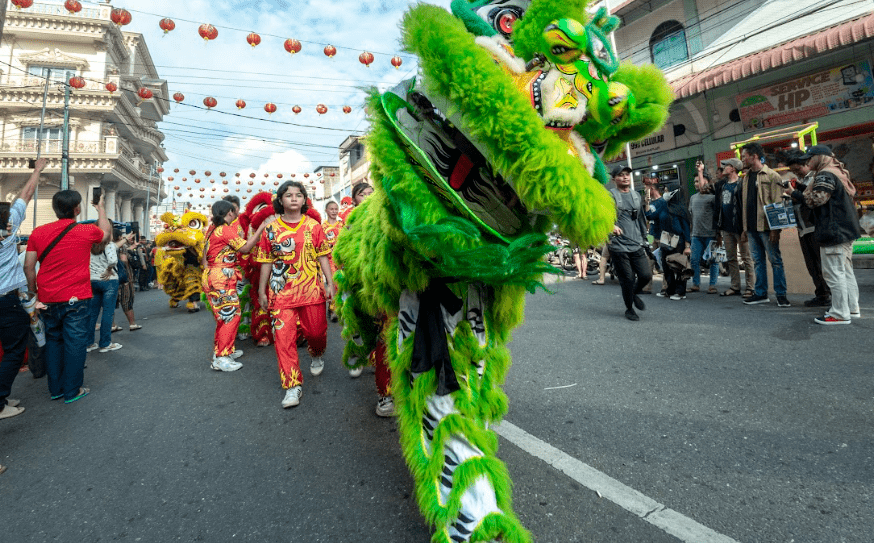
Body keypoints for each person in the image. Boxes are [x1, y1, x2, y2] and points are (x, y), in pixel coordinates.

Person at [24, 188, 111, 404]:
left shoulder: (38, 233)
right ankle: (72, 390)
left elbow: (28, 267)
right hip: (76, 297)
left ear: (55, 209)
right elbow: (106, 233)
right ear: (77, 208)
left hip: (47, 297)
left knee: (53, 341)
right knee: (75, 343)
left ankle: (56, 389)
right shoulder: (85, 231)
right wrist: (100, 208)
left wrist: (34, 295)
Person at [255, 182, 335, 407]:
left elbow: (323, 257)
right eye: (288, 195)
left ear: (304, 200)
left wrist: (330, 283)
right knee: (283, 340)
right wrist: (262, 290)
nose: (293, 198)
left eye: (298, 195)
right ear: (280, 200)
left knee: (317, 333)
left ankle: (316, 353)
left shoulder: (313, 226)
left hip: (311, 290)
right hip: (281, 293)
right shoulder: (271, 229)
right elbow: (266, 261)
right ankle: (292, 386)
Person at [785, 146, 862, 324]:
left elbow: (817, 199)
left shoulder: (825, 174)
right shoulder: (835, 171)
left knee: (834, 273)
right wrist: (802, 188)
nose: (807, 160)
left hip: (834, 229)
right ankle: (851, 308)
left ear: (821, 157)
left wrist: (794, 193)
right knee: (845, 271)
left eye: (810, 157)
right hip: (845, 229)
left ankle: (839, 313)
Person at [0, 157, 46, 420]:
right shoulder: (9, 231)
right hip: (7, 300)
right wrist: (37, 170)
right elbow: (26, 194)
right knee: (15, 351)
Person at [203, 200, 266, 371]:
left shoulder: (213, 230)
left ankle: (223, 351)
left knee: (225, 316)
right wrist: (261, 229)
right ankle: (222, 357)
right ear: (229, 212)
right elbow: (245, 248)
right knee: (230, 315)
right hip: (221, 277)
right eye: (235, 211)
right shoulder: (224, 229)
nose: (237, 213)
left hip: (216, 275)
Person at [740, 142, 790, 307]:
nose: (742, 159)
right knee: (758, 261)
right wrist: (745, 228)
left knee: (775, 260)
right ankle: (760, 293)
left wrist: (776, 228)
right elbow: (746, 204)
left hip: (767, 227)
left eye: (744, 156)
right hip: (752, 227)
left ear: (754, 156)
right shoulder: (746, 177)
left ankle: (781, 294)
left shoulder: (772, 176)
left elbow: (778, 203)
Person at [782, 150, 831, 307]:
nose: (796, 173)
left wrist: (795, 193)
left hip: (815, 227)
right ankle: (821, 294)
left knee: (823, 264)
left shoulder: (817, 178)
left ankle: (832, 296)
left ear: (807, 163)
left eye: (798, 169)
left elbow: (812, 201)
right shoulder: (800, 180)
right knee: (811, 265)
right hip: (802, 228)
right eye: (793, 171)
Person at [607, 166, 651, 320]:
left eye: (627, 175)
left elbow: (640, 218)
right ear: (614, 179)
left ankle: (633, 294)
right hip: (618, 245)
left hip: (636, 242)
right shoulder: (610, 196)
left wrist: (645, 238)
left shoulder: (636, 196)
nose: (625, 177)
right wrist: (610, 225)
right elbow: (602, 216)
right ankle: (629, 309)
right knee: (628, 279)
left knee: (646, 275)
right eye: (621, 175)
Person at [713, 157, 755, 297]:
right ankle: (735, 286)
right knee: (731, 258)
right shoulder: (722, 185)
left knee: (746, 258)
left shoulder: (743, 184)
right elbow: (717, 207)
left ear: (733, 168)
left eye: (726, 166)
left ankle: (750, 287)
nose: (723, 168)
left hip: (740, 227)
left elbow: (747, 206)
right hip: (726, 227)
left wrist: (746, 227)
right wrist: (718, 230)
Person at [647, 181, 691, 300]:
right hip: (665, 238)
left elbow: (686, 228)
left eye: (667, 191)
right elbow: (650, 216)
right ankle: (669, 290)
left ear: (674, 193)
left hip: (679, 240)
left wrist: (687, 246)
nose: (665, 193)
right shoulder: (663, 206)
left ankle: (680, 292)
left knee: (679, 266)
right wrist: (647, 201)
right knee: (666, 265)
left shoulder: (681, 209)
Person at [86, 231, 122, 354]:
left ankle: (89, 343)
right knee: (108, 312)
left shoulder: (89, 244)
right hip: (109, 280)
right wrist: (108, 270)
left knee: (92, 313)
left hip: (93, 280)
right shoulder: (108, 244)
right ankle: (105, 343)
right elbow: (113, 261)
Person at [690, 162, 719, 293]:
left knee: (713, 260)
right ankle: (696, 284)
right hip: (696, 235)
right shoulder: (692, 198)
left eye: (698, 181)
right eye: (695, 181)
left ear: (706, 181)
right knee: (694, 260)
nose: (696, 183)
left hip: (711, 234)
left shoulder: (713, 198)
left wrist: (719, 234)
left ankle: (712, 285)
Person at [322, 200, 343, 322]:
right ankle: (333, 308)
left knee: (341, 284)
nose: (334, 211)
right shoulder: (322, 227)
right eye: (331, 209)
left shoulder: (342, 225)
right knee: (332, 284)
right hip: (328, 260)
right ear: (326, 211)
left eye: (336, 209)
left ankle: (339, 308)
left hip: (341, 260)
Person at [116, 232, 141, 331]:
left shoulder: (106, 246)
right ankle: (132, 323)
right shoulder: (121, 248)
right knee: (127, 301)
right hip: (124, 278)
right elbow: (124, 260)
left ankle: (112, 325)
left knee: (111, 304)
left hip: (110, 278)